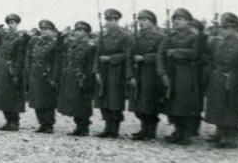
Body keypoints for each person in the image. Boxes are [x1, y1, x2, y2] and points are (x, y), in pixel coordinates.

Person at [204, 12, 238, 149]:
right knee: (218, 106)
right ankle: (220, 132)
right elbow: (211, 57)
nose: (223, 30)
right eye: (222, 27)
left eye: (226, 28)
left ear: (234, 29)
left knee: (232, 107)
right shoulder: (218, 42)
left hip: (233, 79)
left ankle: (231, 136)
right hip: (218, 79)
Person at [156, 8, 201, 145]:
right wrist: (162, 73)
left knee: (185, 103)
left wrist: (177, 52)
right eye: (175, 19)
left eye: (180, 19)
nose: (176, 22)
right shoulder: (168, 37)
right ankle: (178, 131)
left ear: (188, 21)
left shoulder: (194, 37)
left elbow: (196, 54)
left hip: (186, 74)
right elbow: (160, 56)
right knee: (172, 103)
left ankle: (186, 134)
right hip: (171, 73)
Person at [94, 8, 132, 138]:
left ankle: (114, 129)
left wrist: (110, 59)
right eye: (107, 20)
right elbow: (97, 55)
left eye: (111, 20)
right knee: (103, 99)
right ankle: (107, 127)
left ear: (117, 20)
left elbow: (127, 55)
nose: (108, 23)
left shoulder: (124, 36)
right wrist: (96, 71)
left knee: (115, 99)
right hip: (104, 71)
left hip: (117, 72)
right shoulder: (103, 37)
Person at [128, 10, 165, 140]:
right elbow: (129, 56)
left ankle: (151, 130)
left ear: (152, 22)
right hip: (138, 73)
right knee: (139, 102)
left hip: (152, 74)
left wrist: (144, 58)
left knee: (150, 102)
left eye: (145, 20)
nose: (141, 23)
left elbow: (161, 56)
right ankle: (143, 128)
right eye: (140, 20)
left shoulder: (160, 37)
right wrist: (130, 75)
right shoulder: (136, 37)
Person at [0, 14, 29, 131]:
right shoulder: (6, 35)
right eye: (9, 23)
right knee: (4, 95)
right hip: (4, 67)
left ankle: (14, 122)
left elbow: (21, 56)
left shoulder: (21, 36)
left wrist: (17, 72)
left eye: (13, 22)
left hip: (13, 67)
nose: (11, 25)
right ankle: (8, 120)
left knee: (13, 96)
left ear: (17, 23)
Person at [58, 21, 97, 136]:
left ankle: (84, 127)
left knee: (83, 103)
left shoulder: (90, 47)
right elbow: (58, 47)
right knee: (73, 103)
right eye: (76, 30)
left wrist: (88, 81)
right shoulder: (72, 44)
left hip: (82, 78)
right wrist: (61, 35)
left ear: (86, 33)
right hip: (71, 77)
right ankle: (78, 126)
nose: (77, 33)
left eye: (80, 30)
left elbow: (90, 65)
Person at [25, 19, 61, 133]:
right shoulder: (36, 41)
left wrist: (54, 77)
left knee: (48, 100)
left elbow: (57, 62)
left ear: (52, 30)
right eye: (42, 29)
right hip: (36, 73)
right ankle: (41, 123)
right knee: (37, 99)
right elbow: (30, 56)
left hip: (47, 74)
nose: (43, 31)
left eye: (46, 29)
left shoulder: (55, 43)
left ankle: (48, 124)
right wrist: (30, 70)